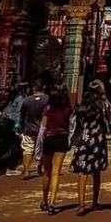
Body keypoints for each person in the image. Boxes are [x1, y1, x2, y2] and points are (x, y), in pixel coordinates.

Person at [71, 79, 111, 214]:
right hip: (98, 138)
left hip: (85, 138)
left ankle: (81, 203)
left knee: (82, 172)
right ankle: (95, 202)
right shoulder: (102, 103)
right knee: (96, 172)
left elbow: (75, 120)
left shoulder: (83, 104)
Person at [39, 83, 72, 214]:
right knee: (56, 172)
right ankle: (52, 202)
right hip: (62, 138)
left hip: (49, 139)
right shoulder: (67, 110)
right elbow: (71, 126)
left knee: (46, 171)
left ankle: (45, 200)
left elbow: (42, 128)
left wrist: (38, 147)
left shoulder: (48, 109)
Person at [18, 76, 50, 180]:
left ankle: (26, 170)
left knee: (27, 149)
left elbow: (22, 116)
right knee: (41, 149)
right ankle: (39, 167)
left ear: (33, 89)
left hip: (29, 129)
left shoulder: (27, 100)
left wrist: (20, 128)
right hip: (43, 129)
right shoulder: (48, 99)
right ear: (43, 87)